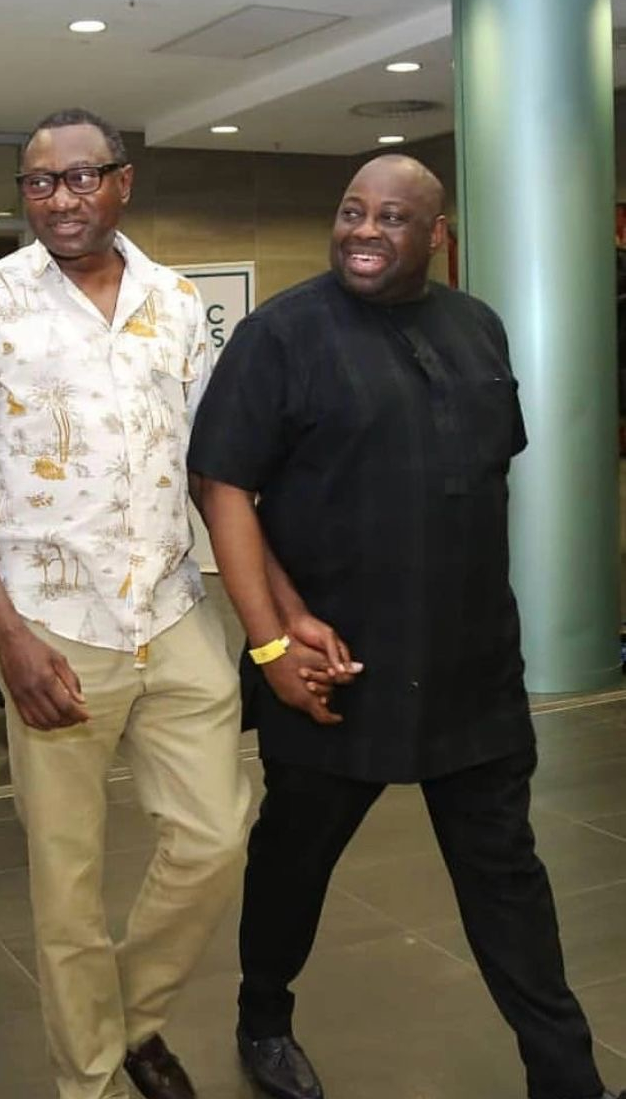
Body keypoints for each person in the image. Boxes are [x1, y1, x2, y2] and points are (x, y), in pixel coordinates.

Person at [188, 154, 622, 1099]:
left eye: (391, 217)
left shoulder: (476, 326)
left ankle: (566, 1076)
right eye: (352, 211)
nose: (364, 230)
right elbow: (221, 486)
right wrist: (273, 642)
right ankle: (263, 1016)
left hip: (470, 666)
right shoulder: (278, 336)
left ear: (436, 236)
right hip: (333, 667)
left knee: (506, 879)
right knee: (293, 862)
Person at [0, 107, 251, 1099]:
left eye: (79, 177)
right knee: (66, 888)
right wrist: (8, 638)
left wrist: (268, 623)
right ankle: (94, 1079)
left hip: (175, 612)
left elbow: (212, 475)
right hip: (52, 627)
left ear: (122, 182)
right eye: (39, 182)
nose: (59, 198)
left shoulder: (178, 303)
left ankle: (133, 1014)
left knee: (216, 837)